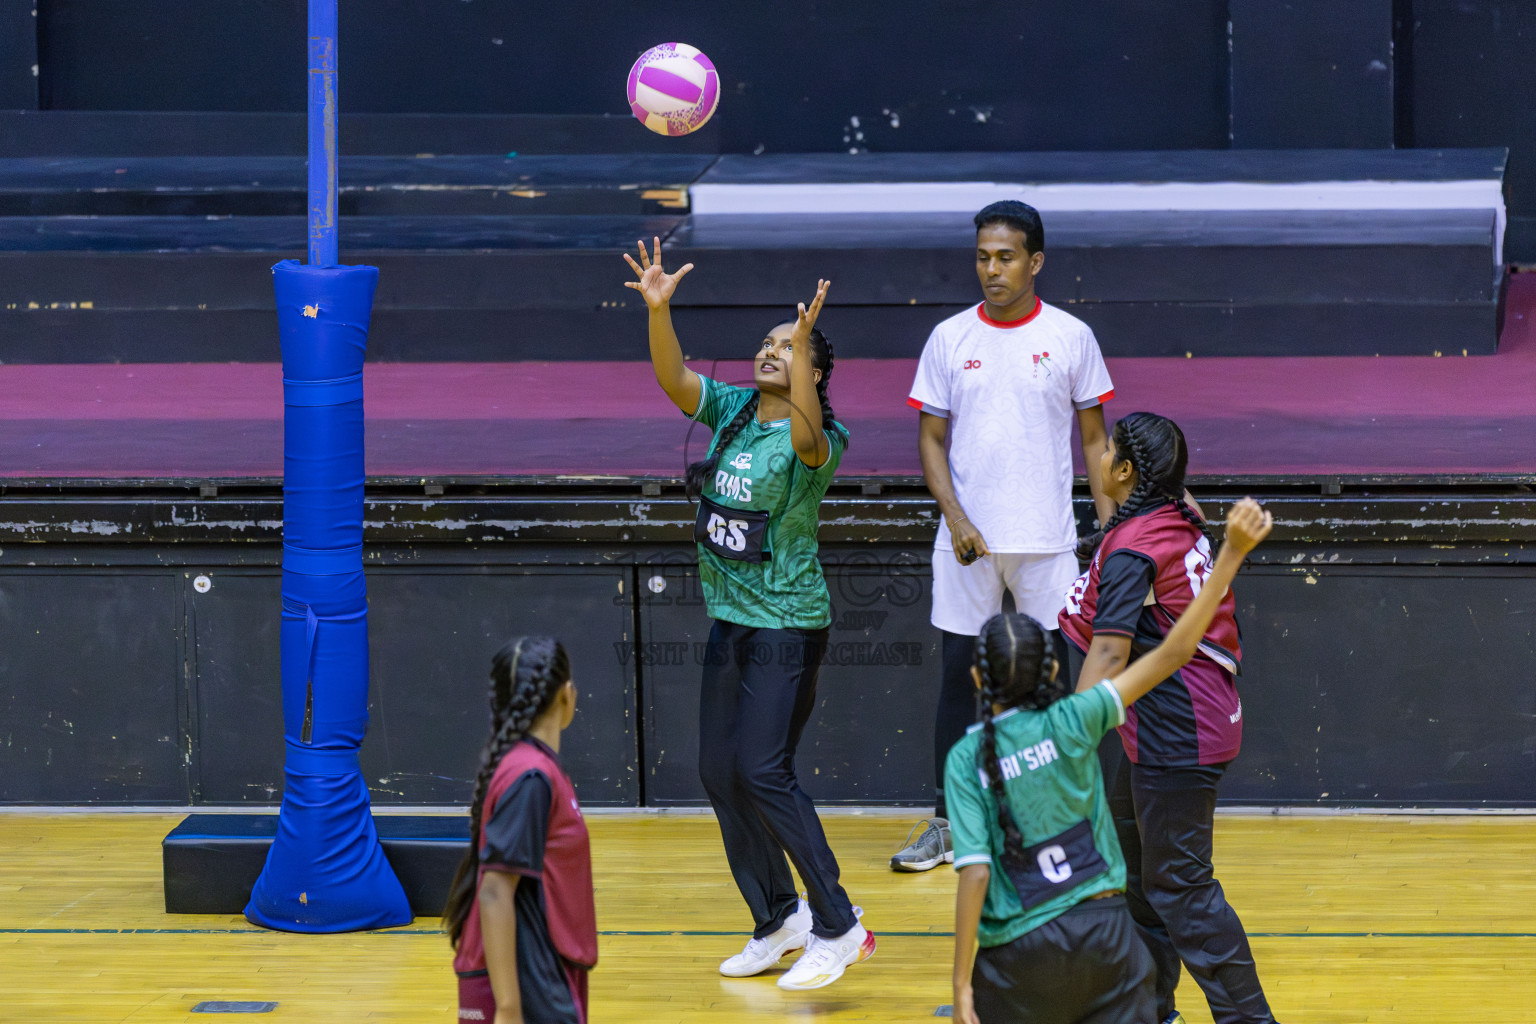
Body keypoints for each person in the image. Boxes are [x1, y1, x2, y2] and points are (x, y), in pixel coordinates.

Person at [621, 238, 874, 991]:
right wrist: (659, 311)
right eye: (767, 343)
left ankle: (840, 926)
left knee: (765, 770)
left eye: (789, 347)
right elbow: (673, 379)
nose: (771, 351)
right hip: (731, 617)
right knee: (719, 771)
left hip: (788, 623)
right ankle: (777, 919)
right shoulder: (732, 411)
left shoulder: (819, 440)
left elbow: (806, 434)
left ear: (814, 373)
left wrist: (804, 348)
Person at [948, 498, 1274, 1024]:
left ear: (977, 678)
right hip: (1106, 941)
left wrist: (962, 983)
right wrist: (1232, 553)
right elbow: (1174, 651)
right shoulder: (1078, 721)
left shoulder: (967, 757)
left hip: (1019, 951)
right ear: (1053, 670)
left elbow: (976, 874)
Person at [896, 199, 1117, 871]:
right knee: (959, 681)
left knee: (1053, 682)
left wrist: (1112, 529)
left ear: (1035, 261)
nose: (992, 270)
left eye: (1006, 257)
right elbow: (931, 440)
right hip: (967, 544)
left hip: (1048, 540)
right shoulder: (949, 338)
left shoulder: (1072, 336)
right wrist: (958, 519)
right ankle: (949, 823)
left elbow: (1096, 442)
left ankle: (1050, 818)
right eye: (983, 258)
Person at [1060, 412, 1276, 1024]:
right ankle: (1150, 1010)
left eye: (1109, 451)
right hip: (1161, 725)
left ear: (1127, 470)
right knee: (1140, 879)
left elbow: (1109, 654)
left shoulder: (1136, 548)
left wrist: (1064, 742)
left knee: (1182, 888)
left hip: (1179, 729)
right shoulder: (1177, 512)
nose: (1099, 457)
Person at [445, 637, 595, 1024]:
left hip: (543, 972)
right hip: (528, 983)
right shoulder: (530, 776)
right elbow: (495, 890)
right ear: (566, 695)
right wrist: (509, 1009)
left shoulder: (531, 767)